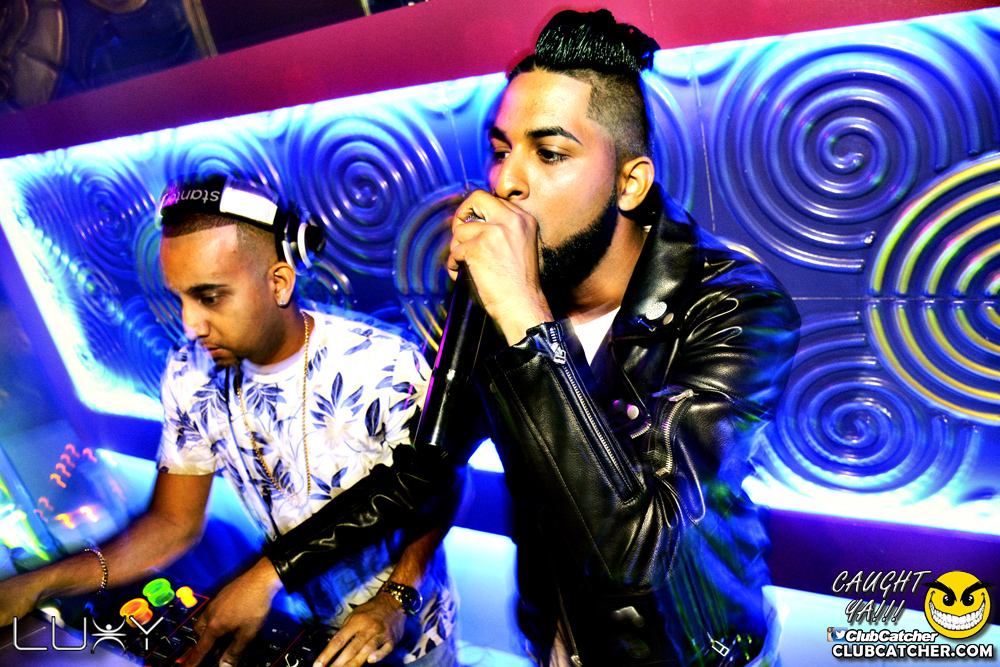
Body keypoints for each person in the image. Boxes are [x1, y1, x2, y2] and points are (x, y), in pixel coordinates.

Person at [262, 9, 800, 667]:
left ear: (629, 182)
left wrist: (523, 315)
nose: (506, 182)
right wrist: (272, 571)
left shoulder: (734, 304)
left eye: (548, 153)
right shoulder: (494, 296)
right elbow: (423, 469)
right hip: (556, 638)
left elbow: (642, 554)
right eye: (500, 150)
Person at [0, 174, 457, 667]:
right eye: (179, 297)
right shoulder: (189, 372)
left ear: (279, 283)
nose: (190, 324)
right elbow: (172, 523)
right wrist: (38, 583)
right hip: (307, 624)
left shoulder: (384, 364)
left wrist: (396, 598)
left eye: (209, 296)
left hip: (406, 631)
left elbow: (446, 485)